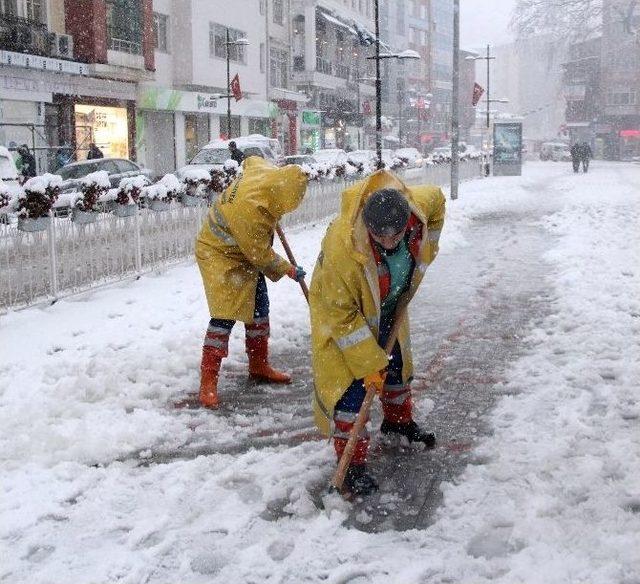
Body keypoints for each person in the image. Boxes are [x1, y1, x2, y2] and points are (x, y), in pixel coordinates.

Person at [309, 171, 446, 496]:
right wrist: (368, 365)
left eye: (394, 236)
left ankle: (398, 423)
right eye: (379, 238)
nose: (387, 242)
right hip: (342, 307)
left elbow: (438, 201)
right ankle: (351, 464)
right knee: (351, 390)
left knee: (396, 366)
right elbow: (342, 318)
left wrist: (430, 242)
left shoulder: (417, 208)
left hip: (387, 303)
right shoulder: (345, 250)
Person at [195, 156, 308, 409]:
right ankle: (208, 381)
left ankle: (259, 365)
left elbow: (250, 160)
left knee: (259, 309)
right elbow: (260, 255)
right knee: (225, 314)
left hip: (242, 251)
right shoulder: (250, 212)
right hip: (220, 253)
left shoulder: (262, 172)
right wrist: (288, 270)